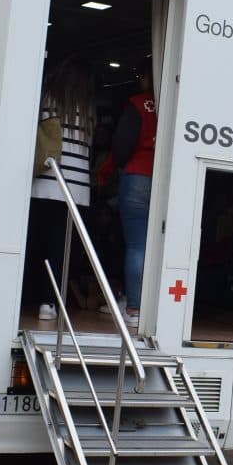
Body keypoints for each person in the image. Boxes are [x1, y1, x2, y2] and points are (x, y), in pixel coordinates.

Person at [26, 58, 94, 321]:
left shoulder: (47, 98)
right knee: (61, 249)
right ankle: (49, 303)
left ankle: (23, 296)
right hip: (75, 190)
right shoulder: (87, 107)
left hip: (45, 181)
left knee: (34, 243)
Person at [97, 71, 155, 328]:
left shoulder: (138, 103)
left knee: (137, 246)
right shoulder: (179, 101)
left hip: (138, 178)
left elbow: (121, 147)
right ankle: (156, 308)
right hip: (170, 179)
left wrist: (108, 171)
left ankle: (134, 309)